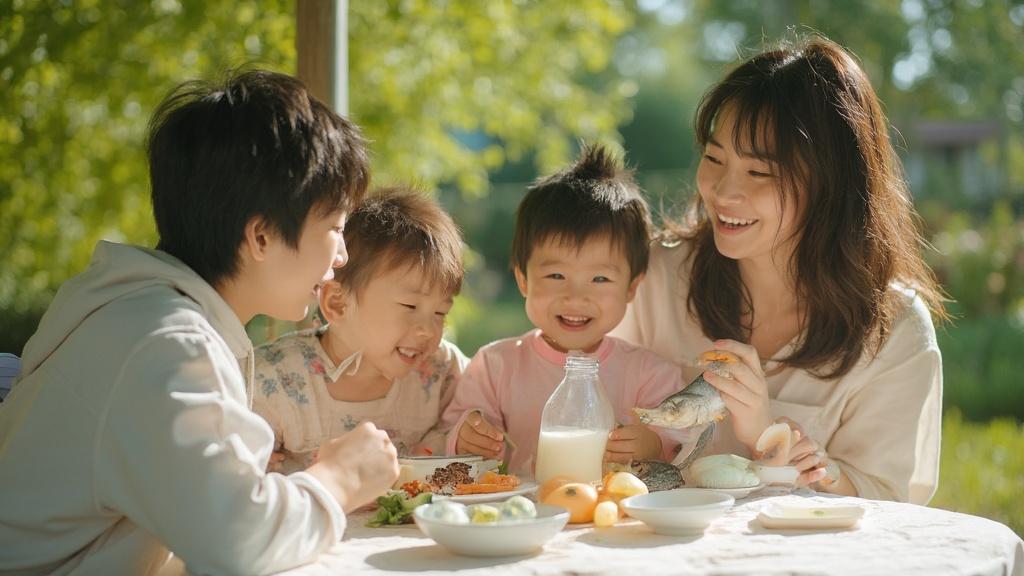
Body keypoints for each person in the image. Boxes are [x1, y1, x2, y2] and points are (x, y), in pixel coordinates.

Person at [0, 70, 399, 575]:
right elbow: (238, 543)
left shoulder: (136, 310)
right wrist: (340, 478)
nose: (341, 255)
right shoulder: (165, 346)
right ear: (261, 237)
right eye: (335, 228)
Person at [611, 35, 947, 504]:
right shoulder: (653, 278)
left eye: (760, 172)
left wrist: (770, 438)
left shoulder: (893, 330)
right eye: (714, 158)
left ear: (830, 183)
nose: (724, 191)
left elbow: (886, 506)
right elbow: (571, 385)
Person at [441, 144, 689, 475]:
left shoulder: (649, 375)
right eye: (556, 275)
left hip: (608, 518)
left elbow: (678, 441)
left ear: (631, 287)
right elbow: (456, 428)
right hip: (522, 516)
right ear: (523, 279)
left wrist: (652, 443)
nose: (575, 296)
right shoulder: (495, 366)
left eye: (599, 278)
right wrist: (467, 436)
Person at [253, 187, 468, 472]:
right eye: (409, 306)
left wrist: (466, 431)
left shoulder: (442, 370)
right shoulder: (276, 380)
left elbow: (483, 407)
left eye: (441, 313)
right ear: (338, 304)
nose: (428, 331)